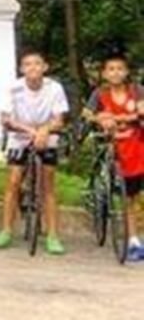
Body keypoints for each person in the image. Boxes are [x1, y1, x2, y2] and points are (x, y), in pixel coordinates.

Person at [0, 48, 68, 255]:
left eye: (37, 63)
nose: (33, 68)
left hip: (46, 135)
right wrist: (29, 131)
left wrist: (44, 130)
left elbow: (59, 120)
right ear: (21, 69)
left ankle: (52, 234)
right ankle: (6, 230)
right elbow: (5, 119)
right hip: (20, 135)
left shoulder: (55, 88)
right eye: (27, 64)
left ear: (45, 67)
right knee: (13, 181)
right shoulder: (13, 88)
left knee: (48, 184)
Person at [83, 49, 144, 262]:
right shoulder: (99, 94)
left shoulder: (137, 90)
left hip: (136, 143)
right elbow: (87, 114)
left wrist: (122, 117)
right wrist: (100, 118)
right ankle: (133, 239)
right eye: (111, 69)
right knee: (128, 197)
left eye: (119, 69)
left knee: (134, 195)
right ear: (104, 73)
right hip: (112, 143)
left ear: (126, 72)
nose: (115, 73)